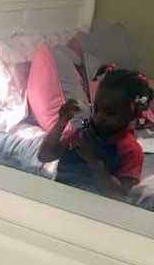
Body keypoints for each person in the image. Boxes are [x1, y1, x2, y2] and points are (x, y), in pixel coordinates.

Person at [38, 65, 153, 199]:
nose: (99, 118)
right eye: (96, 108)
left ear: (132, 115)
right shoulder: (85, 132)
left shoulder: (131, 150)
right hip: (60, 200)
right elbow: (45, 156)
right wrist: (61, 122)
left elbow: (121, 196)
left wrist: (94, 161)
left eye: (110, 113)